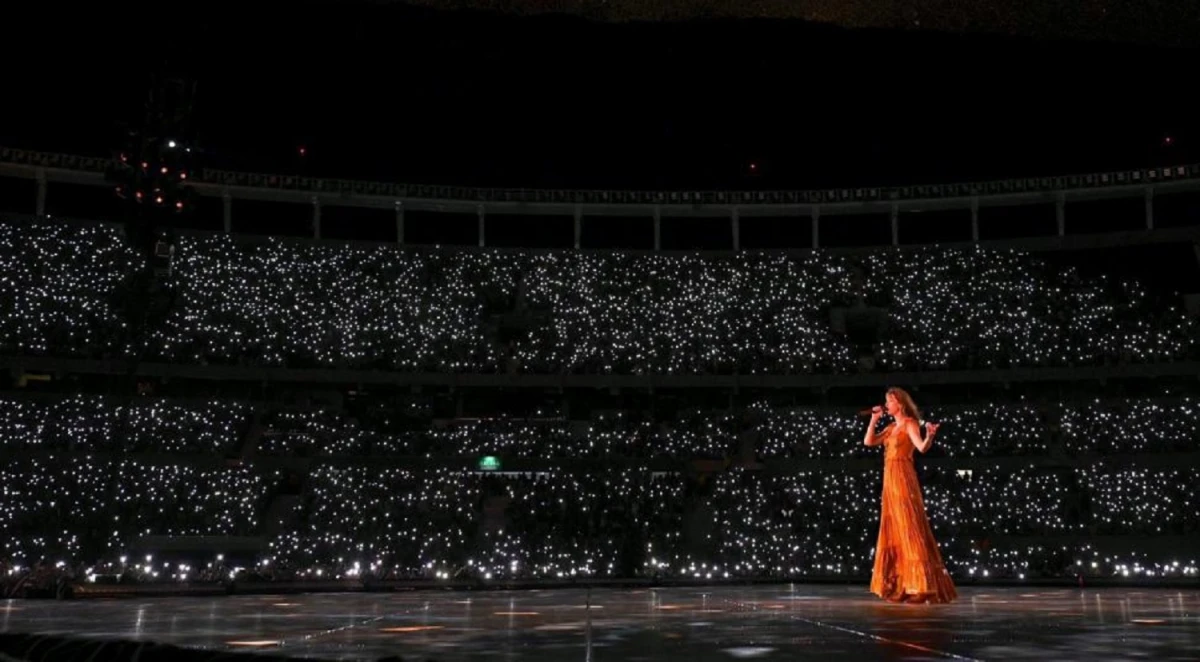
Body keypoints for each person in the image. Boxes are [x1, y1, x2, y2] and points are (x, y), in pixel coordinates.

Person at [863, 387, 957, 603]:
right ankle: (902, 585)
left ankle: (921, 586)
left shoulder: (909, 423)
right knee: (895, 530)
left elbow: (921, 447)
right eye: (886, 401)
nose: (887, 405)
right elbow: (868, 442)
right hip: (890, 481)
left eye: (890, 401)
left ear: (900, 404)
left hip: (903, 478)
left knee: (909, 527)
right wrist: (874, 420)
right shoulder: (890, 427)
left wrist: (930, 435)